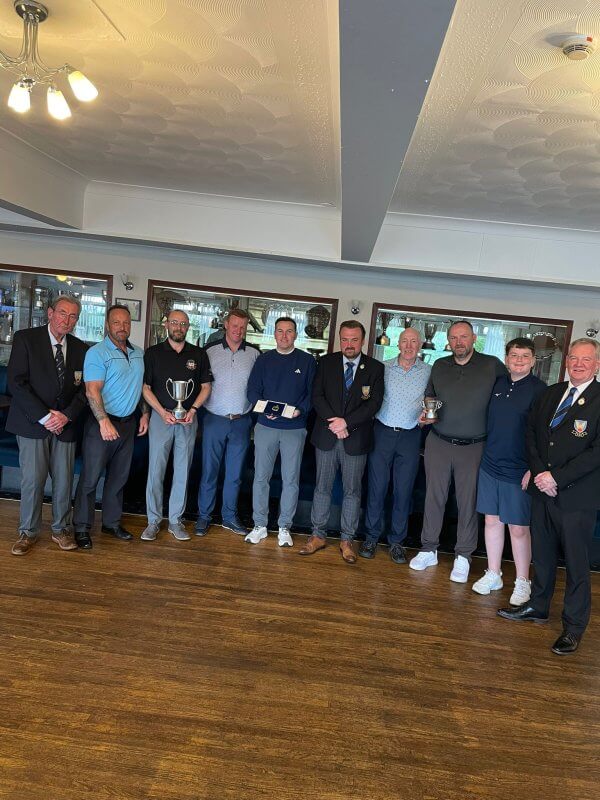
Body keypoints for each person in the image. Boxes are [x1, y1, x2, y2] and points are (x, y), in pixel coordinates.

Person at [498, 338, 600, 656]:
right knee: (542, 555)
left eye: (586, 359)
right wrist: (540, 472)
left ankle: (573, 627)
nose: (578, 364)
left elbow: (596, 452)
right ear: (566, 361)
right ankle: (538, 607)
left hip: (576, 497)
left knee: (576, 565)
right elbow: (532, 433)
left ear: (597, 365)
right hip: (542, 492)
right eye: (574, 358)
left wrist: (556, 477)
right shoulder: (551, 394)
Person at [409, 321, 506, 582]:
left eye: (463, 337)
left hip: (474, 446)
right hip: (439, 442)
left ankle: (463, 555)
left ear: (473, 338)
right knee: (433, 497)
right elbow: (430, 398)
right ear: (448, 341)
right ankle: (428, 549)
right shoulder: (440, 365)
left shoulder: (492, 365)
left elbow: (505, 401)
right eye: (453, 338)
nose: (459, 342)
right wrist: (426, 414)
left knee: (468, 502)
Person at [7, 296, 88, 555]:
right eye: (63, 313)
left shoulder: (81, 348)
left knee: (64, 481)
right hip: (32, 423)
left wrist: (65, 416)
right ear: (50, 313)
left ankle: (61, 530)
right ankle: (27, 533)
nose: (67, 320)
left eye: (73, 316)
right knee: (33, 480)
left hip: (65, 426)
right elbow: (16, 383)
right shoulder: (26, 339)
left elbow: (85, 391)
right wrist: (45, 417)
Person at [300, 320, 384, 564]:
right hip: (327, 435)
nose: (349, 344)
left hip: (355, 439)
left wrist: (346, 423)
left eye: (354, 340)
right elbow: (317, 396)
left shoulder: (375, 368)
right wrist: (335, 423)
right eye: (345, 339)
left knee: (352, 491)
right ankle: (317, 535)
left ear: (363, 340)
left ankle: (347, 540)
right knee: (322, 487)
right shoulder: (325, 362)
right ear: (339, 339)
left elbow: (374, 404)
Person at [472, 338, 545, 603]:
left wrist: (533, 468)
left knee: (518, 528)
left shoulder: (540, 390)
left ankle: (523, 581)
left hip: (519, 469)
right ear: (506, 359)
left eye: (525, 356)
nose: (519, 360)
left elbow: (544, 433)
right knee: (492, 521)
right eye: (514, 355)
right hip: (490, 464)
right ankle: (494, 573)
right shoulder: (498, 383)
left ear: (533, 360)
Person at [73, 305, 148, 548]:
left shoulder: (138, 353)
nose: (122, 327)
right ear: (107, 325)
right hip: (101, 425)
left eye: (126, 322)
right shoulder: (97, 353)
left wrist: (145, 414)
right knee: (90, 479)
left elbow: (141, 388)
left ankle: (111, 523)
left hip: (128, 425)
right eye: (116, 322)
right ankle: (82, 527)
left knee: (118, 478)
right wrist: (103, 421)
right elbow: (91, 390)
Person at [141, 310, 212, 542]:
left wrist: (193, 410)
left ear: (188, 327)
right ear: (166, 325)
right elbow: (145, 388)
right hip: (161, 419)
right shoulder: (153, 353)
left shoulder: (198, 354)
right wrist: (161, 412)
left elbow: (206, 387)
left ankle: (175, 520)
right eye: (174, 322)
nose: (178, 327)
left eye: (183, 323)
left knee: (182, 471)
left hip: (188, 419)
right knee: (156, 471)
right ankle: (153, 521)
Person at [360, 327, 430, 564]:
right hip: (382, 433)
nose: (409, 346)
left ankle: (397, 542)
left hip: (411, 436)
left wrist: (428, 414)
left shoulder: (428, 371)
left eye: (413, 341)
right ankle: (371, 538)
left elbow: (432, 401)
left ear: (419, 345)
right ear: (398, 344)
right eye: (405, 341)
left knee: (403, 491)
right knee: (377, 488)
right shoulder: (383, 368)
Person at [245, 316, 316, 547]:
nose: (284, 336)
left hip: (294, 428)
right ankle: (260, 525)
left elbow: (312, 394)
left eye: (289, 331)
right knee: (260, 478)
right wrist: (264, 410)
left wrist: (299, 411)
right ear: (274, 334)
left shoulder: (307, 361)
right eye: (280, 331)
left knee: (291, 479)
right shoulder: (263, 360)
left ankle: (285, 527)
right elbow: (252, 390)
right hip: (266, 427)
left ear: (295, 334)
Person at [195, 308, 259, 536]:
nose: (238, 331)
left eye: (242, 327)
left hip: (241, 422)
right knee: (209, 472)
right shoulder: (209, 351)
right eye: (234, 326)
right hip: (214, 420)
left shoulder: (254, 354)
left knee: (235, 475)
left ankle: (229, 517)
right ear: (226, 325)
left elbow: (259, 387)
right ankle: (204, 516)